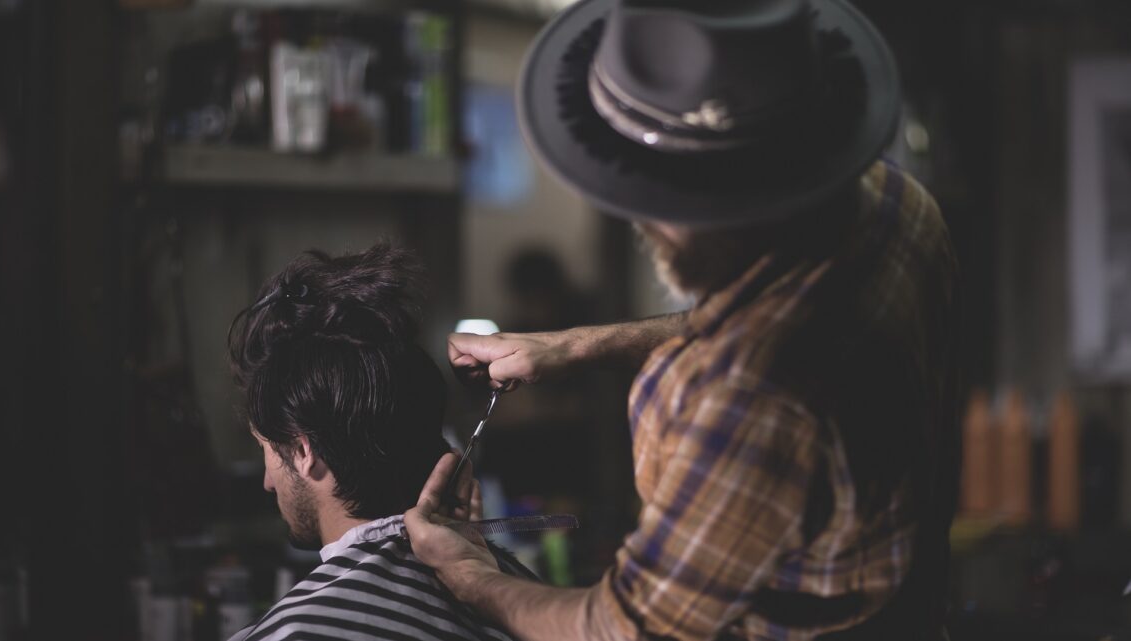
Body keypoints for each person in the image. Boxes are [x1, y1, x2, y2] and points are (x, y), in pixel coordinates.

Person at [404, 1, 959, 640]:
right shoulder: (896, 209)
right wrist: (575, 347)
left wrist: (469, 574)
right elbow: (751, 317)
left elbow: (621, 629)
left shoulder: (741, 401)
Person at [225, 246, 536, 641]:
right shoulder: (534, 605)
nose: (268, 482)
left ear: (303, 452)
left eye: (267, 449)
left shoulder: (289, 634)